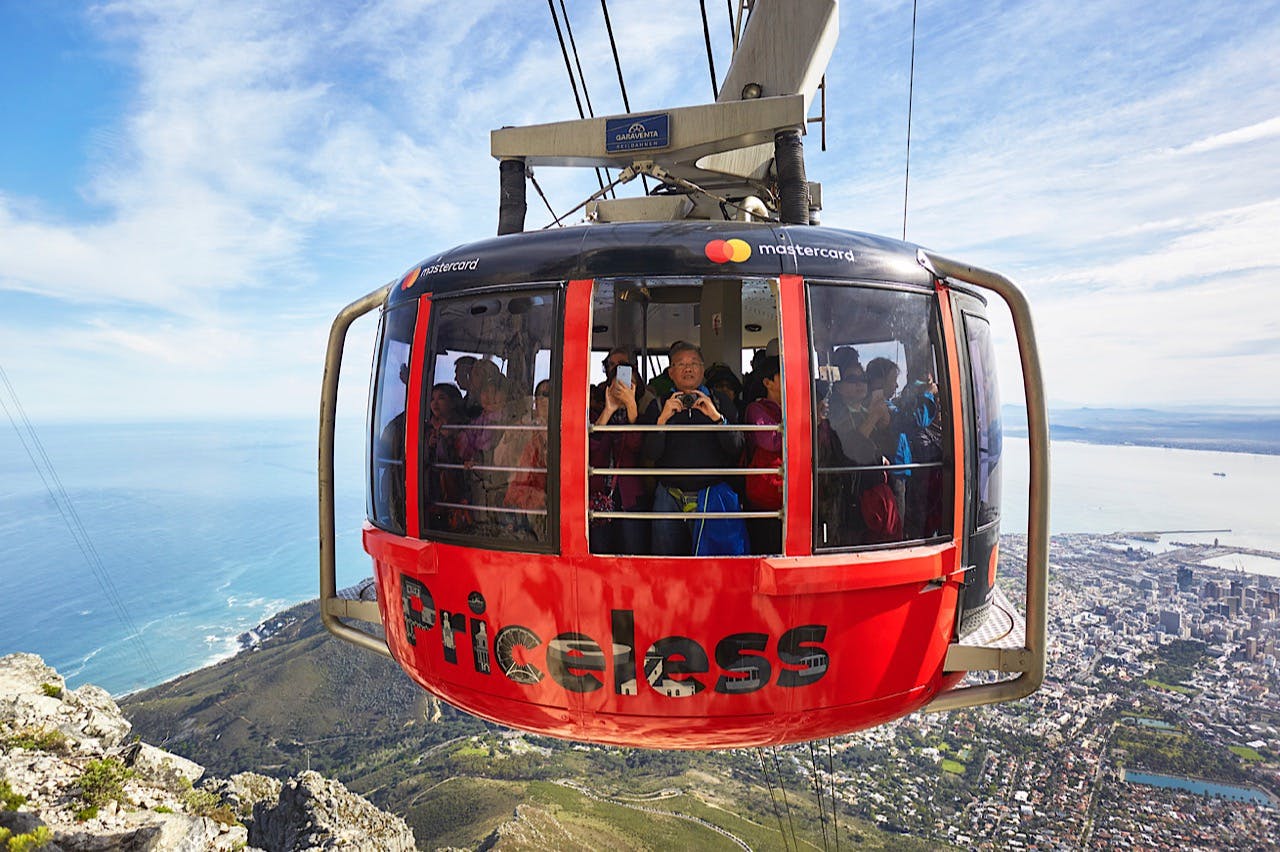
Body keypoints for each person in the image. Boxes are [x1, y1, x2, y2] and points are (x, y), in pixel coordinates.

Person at [640, 341, 747, 556]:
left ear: (702, 369)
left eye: (694, 363)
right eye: (680, 364)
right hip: (668, 498)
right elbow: (650, 454)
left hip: (711, 498)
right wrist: (662, 421)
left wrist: (716, 418)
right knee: (666, 564)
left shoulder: (720, 401)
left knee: (712, 567)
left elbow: (736, 449)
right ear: (670, 372)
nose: (688, 368)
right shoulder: (659, 404)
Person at [590, 351, 649, 554]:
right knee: (600, 553)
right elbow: (591, 448)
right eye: (619, 383)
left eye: (628, 383)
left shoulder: (644, 415)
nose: (623, 387)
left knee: (633, 553)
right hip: (599, 496)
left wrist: (631, 407)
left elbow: (637, 447)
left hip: (630, 498)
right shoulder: (596, 414)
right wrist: (609, 410)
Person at [742, 356, 783, 554]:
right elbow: (770, 441)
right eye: (782, 374)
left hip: (789, 492)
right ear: (767, 383)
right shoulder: (756, 409)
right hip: (765, 494)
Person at [505, 379, 552, 541]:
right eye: (541, 395)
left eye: (549, 394)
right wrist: (512, 434)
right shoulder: (524, 427)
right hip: (520, 498)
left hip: (547, 501)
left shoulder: (563, 428)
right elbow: (500, 461)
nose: (544, 399)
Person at [423, 382, 467, 531]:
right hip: (435, 490)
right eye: (432, 399)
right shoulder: (429, 428)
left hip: (456, 488)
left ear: (453, 402)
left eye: (441, 398)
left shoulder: (462, 428)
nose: (435, 403)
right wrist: (429, 446)